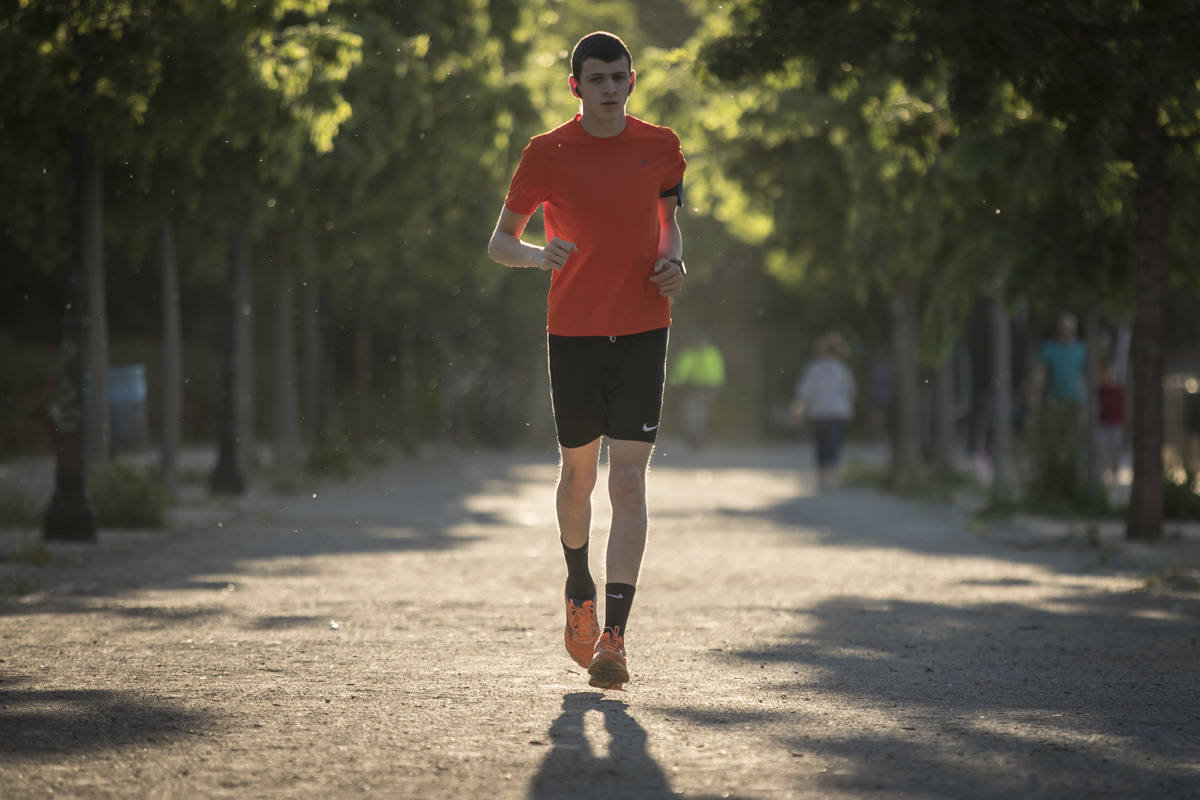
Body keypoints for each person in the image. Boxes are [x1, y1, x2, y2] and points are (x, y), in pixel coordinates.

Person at [486, 31, 687, 690]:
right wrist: (536, 255)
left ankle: (615, 639)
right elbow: (500, 242)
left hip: (643, 329)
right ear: (577, 86)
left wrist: (674, 262)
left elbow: (669, 225)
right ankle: (579, 587)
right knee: (579, 479)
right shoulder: (547, 153)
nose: (609, 89)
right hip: (572, 331)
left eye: (618, 77)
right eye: (596, 79)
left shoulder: (661, 147)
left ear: (632, 80)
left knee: (627, 482)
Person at [793, 332, 856, 489]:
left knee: (821, 445)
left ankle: (821, 477)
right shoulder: (843, 370)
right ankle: (830, 477)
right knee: (834, 444)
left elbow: (804, 392)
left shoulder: (814, 369)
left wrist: (798, 412)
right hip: (837, 413)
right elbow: (851, 391)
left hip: (819, 413)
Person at [670, 332, 725, 448]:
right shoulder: (692, 353)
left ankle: (700, 436)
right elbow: (682, 369)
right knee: (695, 412)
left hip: (707, 387)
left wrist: (676, 381)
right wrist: (677, 381)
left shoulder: (710, 353)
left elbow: (717, 370)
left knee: (701, 413)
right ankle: (696, 437)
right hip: (694, 387)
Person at [1096, 360, 1126, 482]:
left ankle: (1115, 470)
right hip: (1103, 423)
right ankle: (1104, 470)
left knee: (1115, 447)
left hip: (1115, 423)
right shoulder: (1100, 390)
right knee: (1103, 447)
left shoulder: (1118, 390)